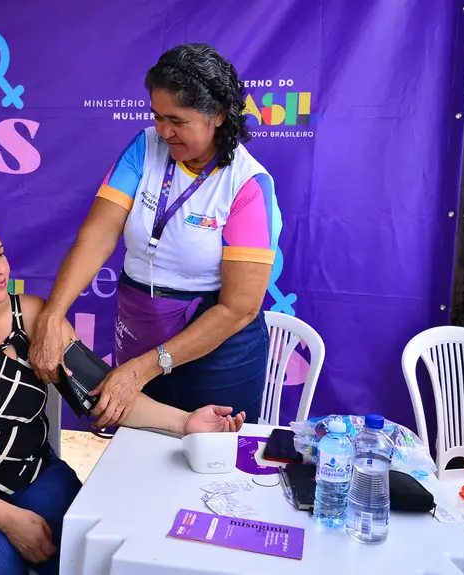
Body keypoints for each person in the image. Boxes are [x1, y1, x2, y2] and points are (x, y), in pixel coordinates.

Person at [0, 210, 245, 575]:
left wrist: (185, 422)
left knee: (102, 557)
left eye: (0, 253)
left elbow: (99, 393)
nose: (1, 268)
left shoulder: (31, 317)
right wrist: (10, 520)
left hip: (35, 477)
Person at [30, 43, 281, 429]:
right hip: (142, 327)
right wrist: (52, 314)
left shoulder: (248, 185)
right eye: (157, 117)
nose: (164, 132)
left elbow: (239, 308)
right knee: (139, 449)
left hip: (217, 349)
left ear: (217, 114)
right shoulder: (144, 147)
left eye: (177, 120)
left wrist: (141, 370)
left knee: (211, 454)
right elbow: (97, 236)